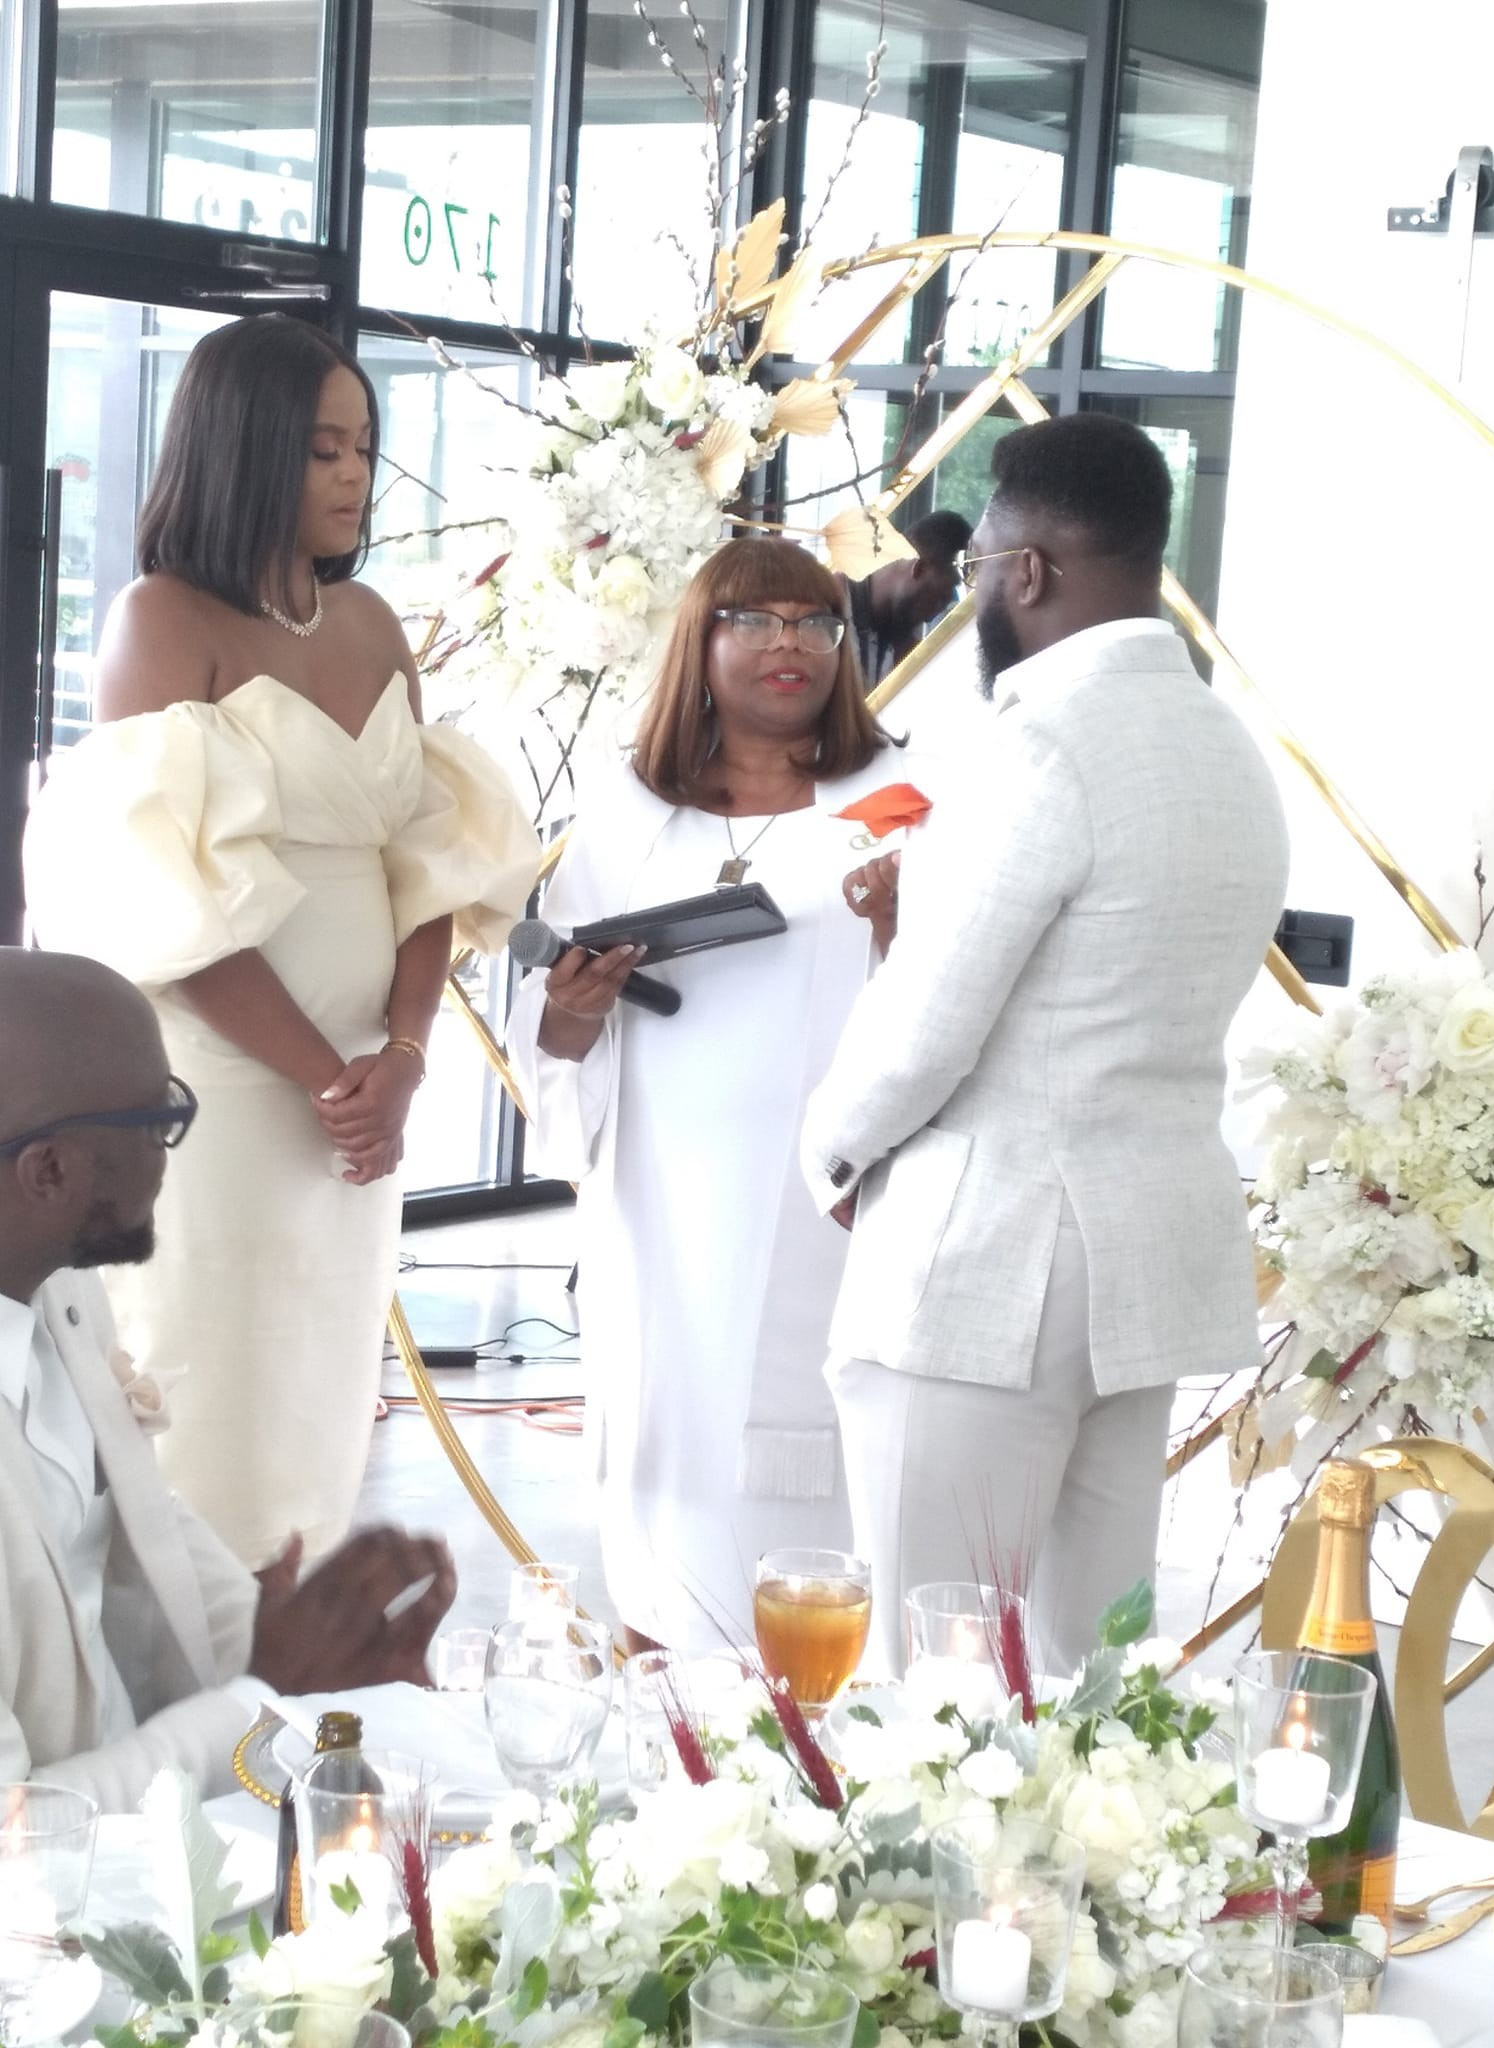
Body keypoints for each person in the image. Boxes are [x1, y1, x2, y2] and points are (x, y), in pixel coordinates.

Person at [24, 314, 540, 1570]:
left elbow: (426, 862)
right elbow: (165, 899)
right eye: (323, 449)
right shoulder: (161, 619)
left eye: (364, 445)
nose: (354, 474)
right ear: (246, 447)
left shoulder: (370, 621)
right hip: (227, 1091)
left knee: (318, 1386)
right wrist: (328, 1077)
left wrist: (402, 1057)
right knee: (209, 1390)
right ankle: (192, 1659)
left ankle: (295, 1653)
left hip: (364, 1092)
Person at [801, 414, 1289, 1677]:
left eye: (977, 570)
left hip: (992, 1261)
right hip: (1143, 1259)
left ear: (1027, 569)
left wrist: (834, 1153)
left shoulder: (1039, 743)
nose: (973, 598)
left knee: (930, 1676)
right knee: (1086, 1672)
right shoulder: (1228, 748)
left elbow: (929, 1022)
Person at [505, 537, 910, 1654]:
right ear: (701, 641)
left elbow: (953, 991)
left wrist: (896, 927)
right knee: (672, 1458)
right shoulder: (631, 810)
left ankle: (813, 1689)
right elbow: (554, 1018)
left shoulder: (898, 800)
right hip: (662, 1197)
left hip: (824, 1195)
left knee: (806, 1472)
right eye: (758, 621)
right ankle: (664, 1680)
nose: (792, 644)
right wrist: (574, 1005)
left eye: (816, 623)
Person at [0, 948, 457, 1809]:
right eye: (159, 1118)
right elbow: (17, 1830)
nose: (170, 1150)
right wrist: (268, 1695)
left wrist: (293, 1639)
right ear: (49, 1170)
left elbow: (129, 1519)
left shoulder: (54, 1285)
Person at [841, 509, 972, 687]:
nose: (929, 618)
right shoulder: (825, 607)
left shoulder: (902, 644)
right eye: (938, 600)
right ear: (920, 569)